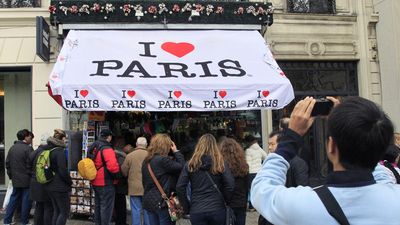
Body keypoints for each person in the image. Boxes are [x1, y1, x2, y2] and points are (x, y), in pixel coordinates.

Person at [251, 96, 400, 224]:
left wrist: (291, 137)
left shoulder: (302, 205)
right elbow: (381, 174)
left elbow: (262, 189)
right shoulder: (395, 199)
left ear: (331, 146)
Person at [176, 134, 235, 225]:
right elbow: (230, 184)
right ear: (215, 146)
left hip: (197, 209)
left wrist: (186, 207)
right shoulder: (220, 163)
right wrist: (225, 200)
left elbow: (180, 187)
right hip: (217, 208)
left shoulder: (190, 164)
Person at [141, 134, 185, 225]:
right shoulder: (162, 160)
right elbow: (182, 166)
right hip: (163, 202)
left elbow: (144, 182)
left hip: (149, 201)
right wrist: (176, 151)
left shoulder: (146, 161)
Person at [90, 129, 121, 225]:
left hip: (95, 180)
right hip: (105, 182)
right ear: (109, 137)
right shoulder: (107, 148)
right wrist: (118, 176)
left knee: (98, 206)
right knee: (106, 208)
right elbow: (113, 167)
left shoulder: (93, 146)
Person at [4, 129, 34, 225]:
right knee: (26, 201)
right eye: (30, 137)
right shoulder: (28, 149)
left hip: (15, 179)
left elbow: (7, 163)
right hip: (26, 179)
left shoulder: (12, 148)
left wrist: (11, 176)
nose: (31, 139)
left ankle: (7, 221)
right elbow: (32, 164)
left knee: (13, 199)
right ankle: (24, 221)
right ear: (25, 137)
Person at [45, 129, 72, 225]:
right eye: (66, 138)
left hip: (50, 184)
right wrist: (70, 181)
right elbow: (62, 170)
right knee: (64, 212)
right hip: (60, 186)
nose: (66, 141)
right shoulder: (59, 151)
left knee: (57, 211)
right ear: (62, 138)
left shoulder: (49, 150)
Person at [121, 137, 150, 225]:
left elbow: (124, 171)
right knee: (147, 209)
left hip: (134, 187)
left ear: (136, 144)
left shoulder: (130, 156)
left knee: (135, 209)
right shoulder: (151, 155)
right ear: (146, 145)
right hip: (148, 187)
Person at [219, 138, 248, 225]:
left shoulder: (220, 167)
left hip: (226, 203)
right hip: (240, 202)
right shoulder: (244, 166)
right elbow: (247, 186)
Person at [29, 133, 53, 225]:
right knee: (47, 206)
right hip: (44, 182)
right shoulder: (47, 153)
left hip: (34, 182)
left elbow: (28, 167)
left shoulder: (34, 152)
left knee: (38, 206)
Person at [244, 134, 266, 211]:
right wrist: (262, 167)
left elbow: (248, 164)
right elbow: (266, 157)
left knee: (251, 190)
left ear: (248, 142)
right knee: (258, 188)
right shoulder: (260, 149)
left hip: (251, 173)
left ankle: (251, 206)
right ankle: (259, 205)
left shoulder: (248, 151)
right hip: (259, 172)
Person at [113, 138, 128, 225]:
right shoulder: (122, 157)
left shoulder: (111, 154)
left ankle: (118, 221)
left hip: (114, 183)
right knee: (121, 205)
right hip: (120, 184)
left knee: (117, 204)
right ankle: (121, 222)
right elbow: (123, 171)